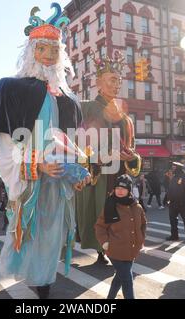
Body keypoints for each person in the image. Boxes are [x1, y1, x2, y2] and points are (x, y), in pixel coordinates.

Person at [0, 4, 88, 299]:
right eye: (42, 48)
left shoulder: (67, 99)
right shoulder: (12, 89)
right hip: (33, 181)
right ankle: (41, 287)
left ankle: (44, 285)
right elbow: (7, 144)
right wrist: (36, 164)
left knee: (52, 236)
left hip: (58, 182)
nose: (48, 55)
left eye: (54, 49)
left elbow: (70, 143)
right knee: (31, 234)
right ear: (32, 50)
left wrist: (77, 171)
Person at [76, 50, 141, 265]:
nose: (117, 85)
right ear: (98, 82)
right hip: (99, 177)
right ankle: (101, 251)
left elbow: (132, 150)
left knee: (120, 216)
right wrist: (97, 159)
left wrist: (130, 157)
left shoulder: (125, 118)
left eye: (119, 81)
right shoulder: (85, 108)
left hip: (120, 175)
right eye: (112, 80)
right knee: (100, 215)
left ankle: (117, 250)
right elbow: (75, 144)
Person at [95, 175, 147, 299]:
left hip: (132, 249)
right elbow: (100, 226)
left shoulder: (137, 206)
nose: (119, 191)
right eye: (117, 188)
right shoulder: (110, 205)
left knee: (119, 277)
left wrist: (141, 239)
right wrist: (105, 242)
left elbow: (143, 224)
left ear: (129, 190)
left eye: (123, 188)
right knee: (127, 279)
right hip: (115, 250)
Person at [166, 162, 185, 242]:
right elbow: (170, 189)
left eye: (174, 168)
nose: (172, 169)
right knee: (173, 220)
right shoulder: (174, 177)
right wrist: (168, 200)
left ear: (178, 168)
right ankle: (174, 235)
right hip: (173, 203)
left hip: (182, 203)